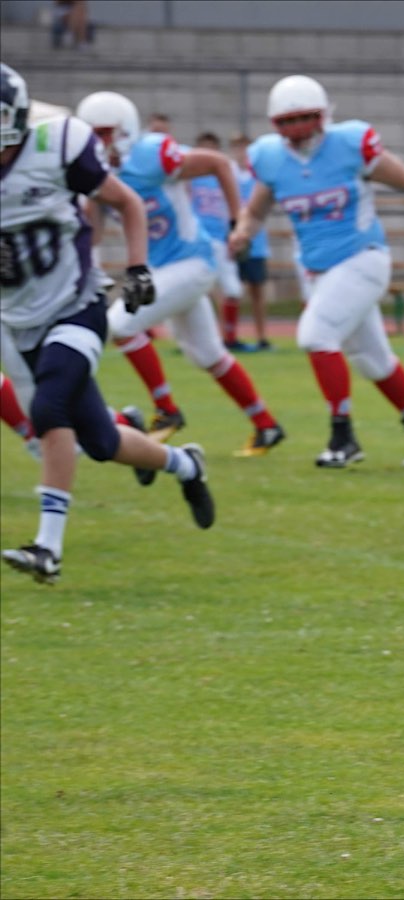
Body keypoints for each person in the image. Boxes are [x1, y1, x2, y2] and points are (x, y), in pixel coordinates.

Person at [1, 62, 214, 585]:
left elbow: (126, 201)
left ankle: (47, 549)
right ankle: (185, 465)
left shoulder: (57, 146)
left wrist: (137, 267)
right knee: (100, 442)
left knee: (49, 407)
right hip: (18, 319)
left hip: (76, 303)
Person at [227, 75, 404, 469]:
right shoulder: (270, 158)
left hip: (363, 257)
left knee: (315, 335)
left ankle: (342, 435)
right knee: (372, 360)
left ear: (324, 115)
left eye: (305, 119)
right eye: (287, 122)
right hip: (319, 269)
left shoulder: (350, 144)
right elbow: (258, 207)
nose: (296, 130)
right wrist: (243, 231)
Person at [75, 92, 285, 457]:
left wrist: (237, 219)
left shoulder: (151, 154)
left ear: (125, 130)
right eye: (92, 135)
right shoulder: (97, 173)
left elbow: (219, 163)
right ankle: (266, 424)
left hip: (191, 260)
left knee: (121, 325)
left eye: (105, 133)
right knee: (208, 354)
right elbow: (91, 231)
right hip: (161, 268)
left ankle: (166, 410)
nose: (99, 143)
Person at [188, 131, 249, 351]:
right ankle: (196, 340)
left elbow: (238, 204)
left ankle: (229, 338)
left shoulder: (227, 171)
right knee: (194, 292)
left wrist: (235, 231)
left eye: (211, 148)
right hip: (198, 241)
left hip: (221, 239)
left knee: (233, 290)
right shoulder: (189, 174)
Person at [227, 132, 271, 350]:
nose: (242, 154)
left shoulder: (260, 177)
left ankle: (262, 337)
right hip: (233, 241)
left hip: (257, 243)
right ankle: (229, 336)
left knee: (257, 292)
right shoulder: (228, 175)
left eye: (246, 148)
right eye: (238, 148)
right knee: (231, 291)